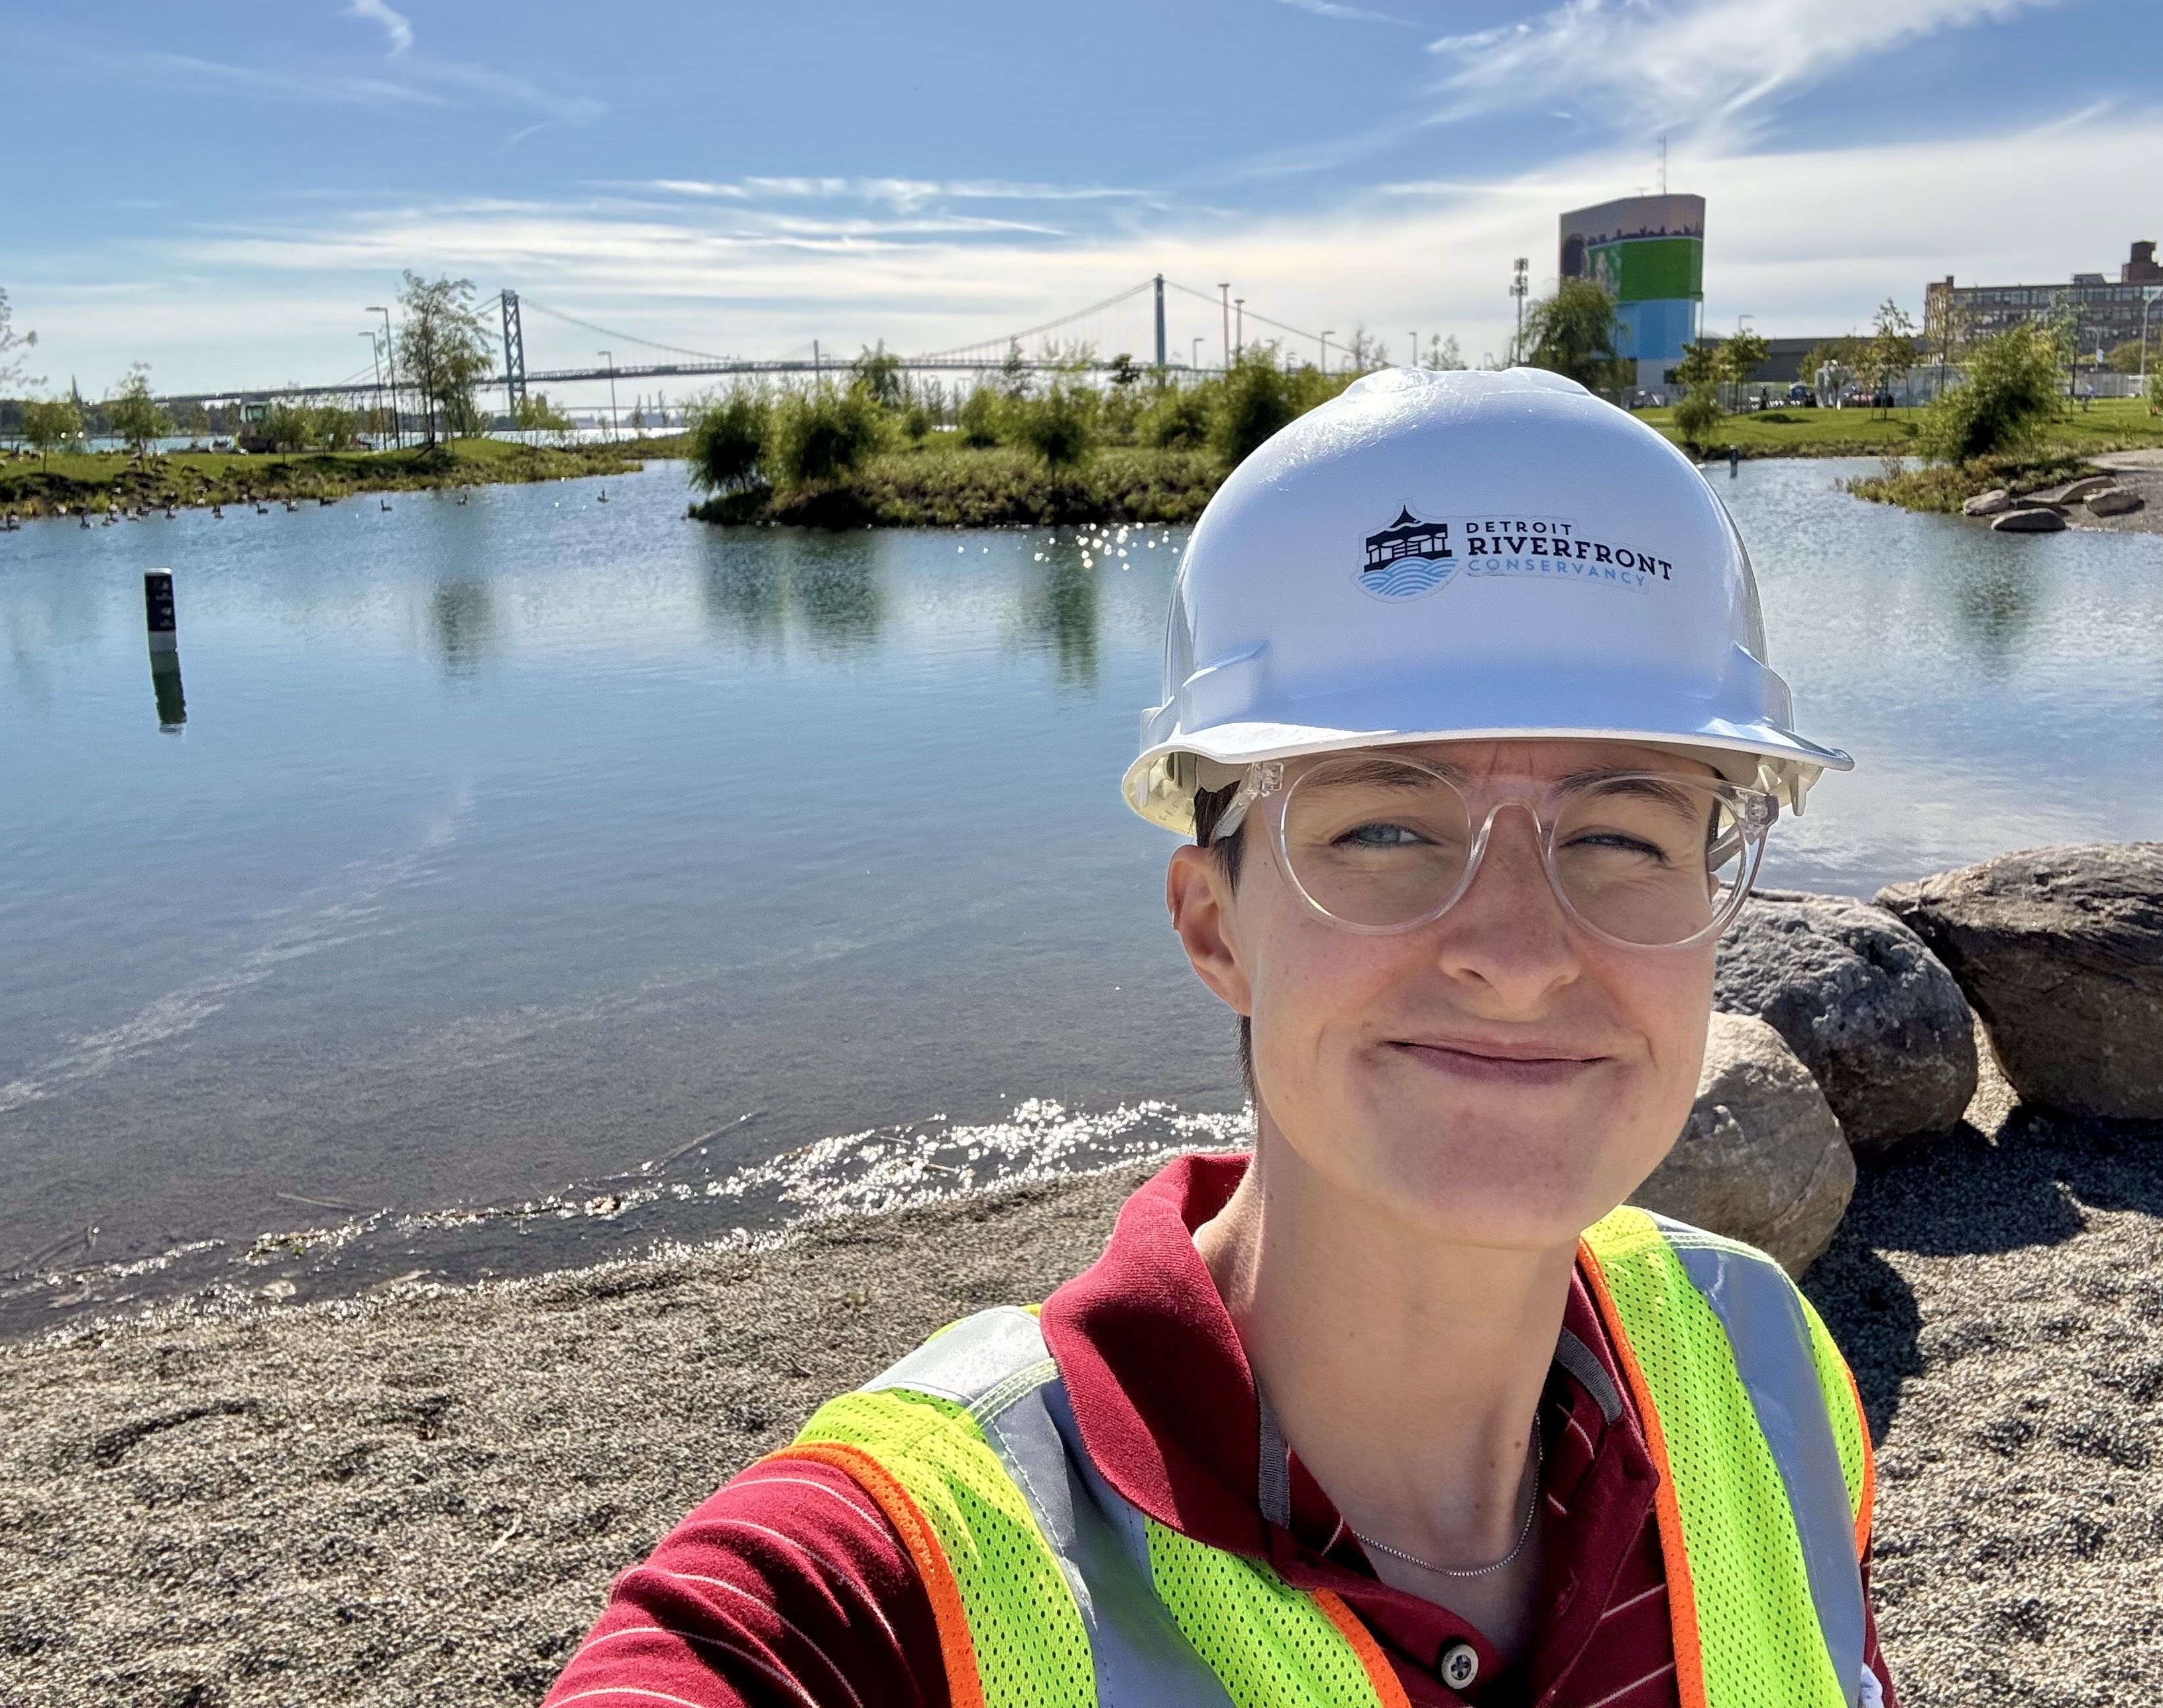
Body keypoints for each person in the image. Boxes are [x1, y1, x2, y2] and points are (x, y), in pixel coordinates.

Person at [546, 365, 1891, 1707]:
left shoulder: (1762, 1360)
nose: (1522, 955)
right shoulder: (909, 1583)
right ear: (1216, 929)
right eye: (1385, 828)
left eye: (1622, 834)